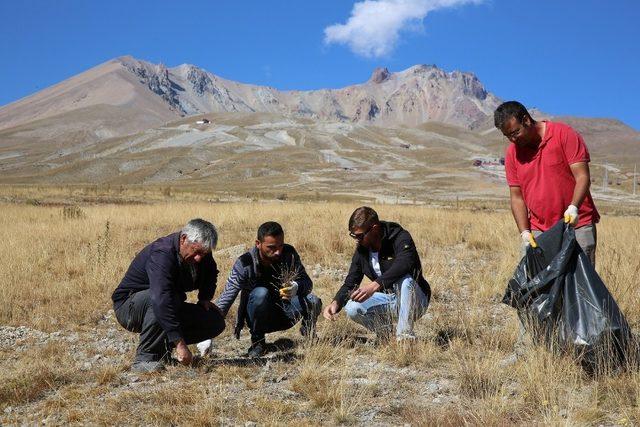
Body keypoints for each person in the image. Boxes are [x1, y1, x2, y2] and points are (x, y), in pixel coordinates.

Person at [111, 219, 225, 373]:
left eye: (203, 253)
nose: (199, 258)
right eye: (196, 251)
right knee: (163, 300)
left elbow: (211, 273)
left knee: (214, 320)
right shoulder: (162, 253)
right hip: (130, 308)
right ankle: (146, 358)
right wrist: (180, 343)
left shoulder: (202, 254)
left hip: (166, 302)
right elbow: (160, 298)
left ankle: (162, 350)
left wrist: (205, 298)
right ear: (184, 239)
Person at [494, 101, 600, 265]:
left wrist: (574, 207)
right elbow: (517, 197)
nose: (512, 140)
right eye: (507, 136)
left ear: (526, 120)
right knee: (540, 286)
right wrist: (525, 233)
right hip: (540, 230)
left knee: (580, 288)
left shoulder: (564, 134)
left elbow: (582, 177)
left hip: (577, 226)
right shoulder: (512, 154)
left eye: (515, 133)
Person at [210, 221, 321, 357]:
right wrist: (209, 332)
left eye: (280, 246)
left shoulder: (288, 254)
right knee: (261, 293)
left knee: (313, 301)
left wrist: (296, 287)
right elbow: (227, 297)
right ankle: (258, 342)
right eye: (271, 247)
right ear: (258, 243)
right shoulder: (245, 263)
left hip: (286, 312)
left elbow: (307, 283)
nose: (278, 252)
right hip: (258, 316)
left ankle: (309, 333)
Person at [323, 207, 431, 341]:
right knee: (352, 307)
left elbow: (405, 263)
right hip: (389, 300)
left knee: (406, 280)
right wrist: (336, 303)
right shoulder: (362, 250)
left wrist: (375, 285)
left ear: (374, 228)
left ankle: (404, 337)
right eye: (353, 236)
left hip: (416, 301)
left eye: (360, 235)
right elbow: (352, 281)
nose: (357, 239)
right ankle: (387, 335)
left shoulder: (400, 237)